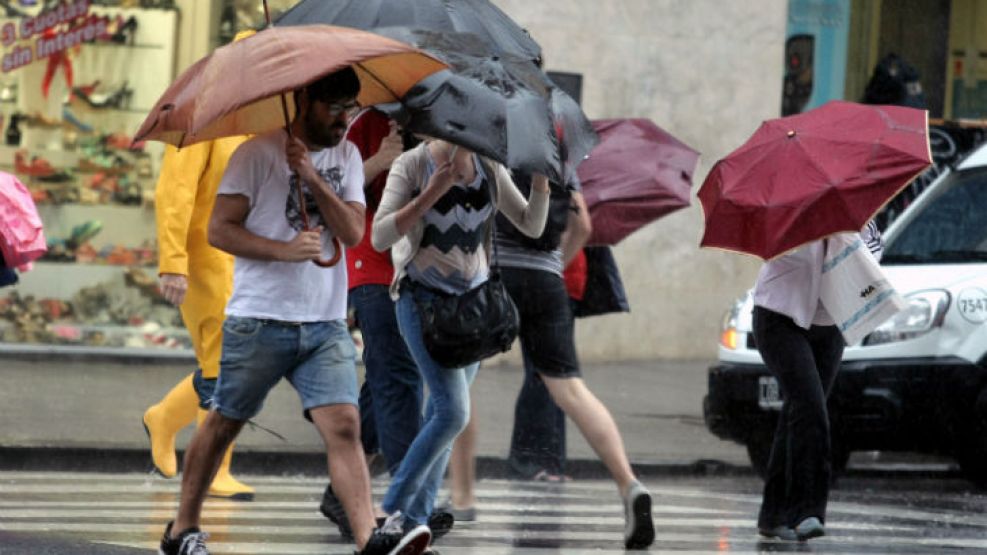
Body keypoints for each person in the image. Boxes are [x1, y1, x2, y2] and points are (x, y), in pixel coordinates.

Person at [157, 68, 431, 555]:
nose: (345, 118)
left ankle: (369, 539)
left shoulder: (346, 154)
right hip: (261, 318)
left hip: (324, 323)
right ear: (304, 102)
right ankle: (182, 529)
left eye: (351, 107)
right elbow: (219, 230)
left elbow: (350, 230)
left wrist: (310, 175)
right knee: (224, 422)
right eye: (334, 107)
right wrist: (282, 250)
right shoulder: (255, 154)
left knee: (345, 424)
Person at [445, 171, 657, 550]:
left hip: (497, 277)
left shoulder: (491, 145)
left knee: (462, 376)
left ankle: (463, 496)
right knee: (571, 390)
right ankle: (628, 483)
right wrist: (555, 266)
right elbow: (584, 226)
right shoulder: (557, 155)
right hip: (547, 283)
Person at [370, 138, 549, 541]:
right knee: (452, 413)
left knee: (443, 415)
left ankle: (414, 522)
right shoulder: (412, 165)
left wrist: (541, 183)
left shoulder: (488, 165)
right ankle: (394, 508)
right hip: (424, 306)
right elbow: (381, 236)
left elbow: (531, 224)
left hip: (473, 312)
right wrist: (432, 192)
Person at [319, 108, 453, 539]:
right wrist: (380, 159)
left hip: (414, 264)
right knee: (398, 376)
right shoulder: (366, 124)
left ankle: (342, 492)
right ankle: (409, 504)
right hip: (370, 262)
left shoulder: (440, 123)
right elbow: (331, 193)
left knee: (385, 381)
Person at [142, 29, 256, 502]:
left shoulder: (262, 123)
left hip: (248, 259)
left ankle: (164, 418)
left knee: (230, 362)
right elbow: (175, 192)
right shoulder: (204, 117)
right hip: (204, 257)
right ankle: (214, 468)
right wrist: (173, 262)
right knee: (226, 364)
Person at [753, 222, 882, 542]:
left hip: (830, 324)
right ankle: (807, 512)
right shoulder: (791, 212)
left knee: (799, 412)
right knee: (810, 408)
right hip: (779, 317)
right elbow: (777, 255)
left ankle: (772, 515)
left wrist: (850, 247)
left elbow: (876, 255)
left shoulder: (857, 215)